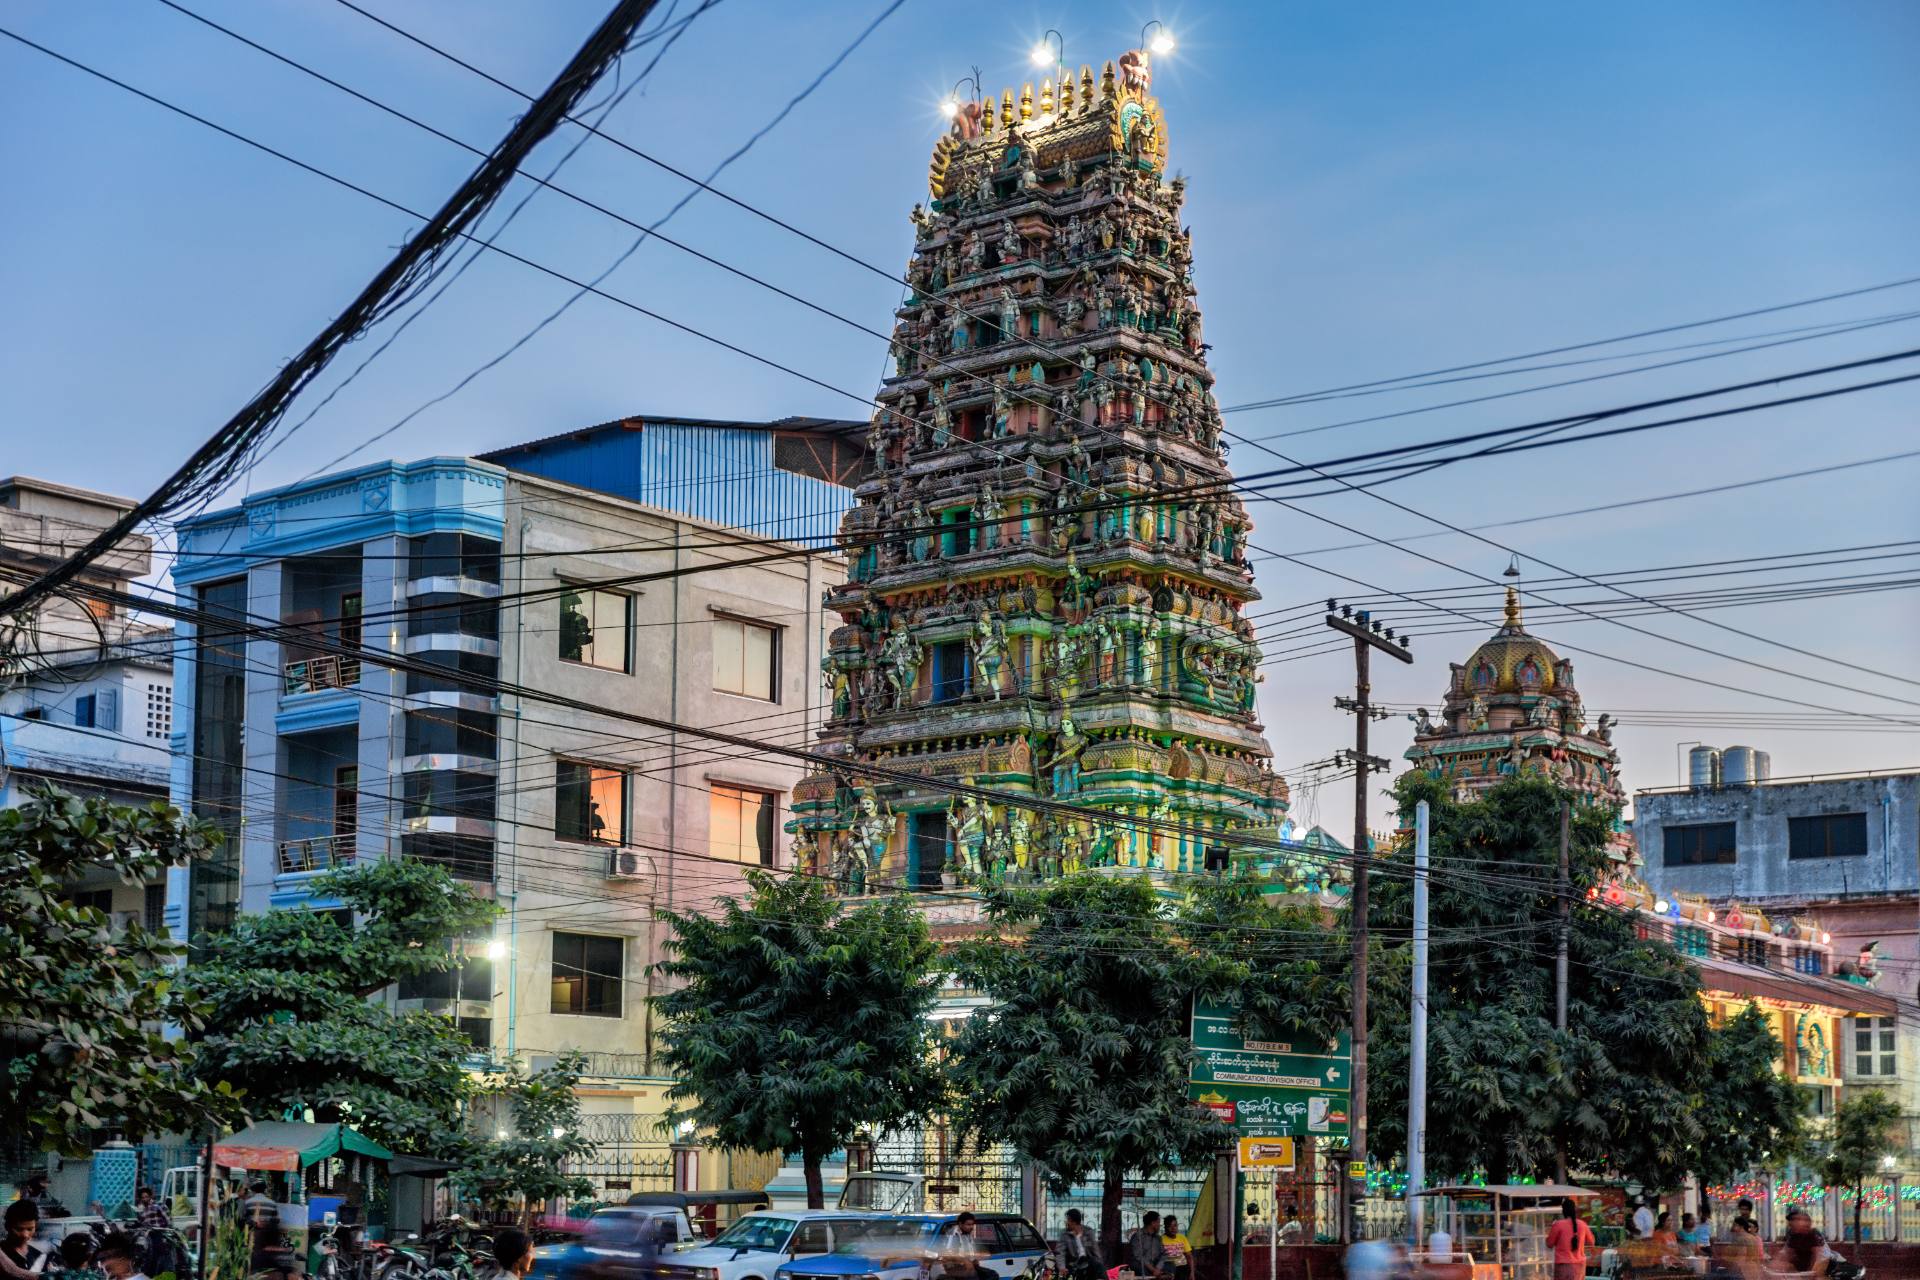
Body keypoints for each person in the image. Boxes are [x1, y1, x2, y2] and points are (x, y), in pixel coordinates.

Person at [1772, 1209, 1834, 1277]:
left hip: (1825, 1267)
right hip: (1805, 1268)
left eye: (1798, 1220)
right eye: (1792, 1221)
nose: (1794, 1223)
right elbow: (1786, 1253)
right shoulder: (1793, 1235)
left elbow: (1821, 1258)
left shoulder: (1814, 1234)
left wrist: (1812, 1274)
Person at [1545, 1198, 1594, 1280]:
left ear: (1563, 1211)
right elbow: (1591, 1242)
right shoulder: (1583, 1224)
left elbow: (1549, 1244)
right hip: (1579, 1266)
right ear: (1574, 1210)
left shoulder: (1558, 1225)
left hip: (1563, 1265)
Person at [0, 1201, 45, 1280]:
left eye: (30, 1229)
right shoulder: (2, 1253)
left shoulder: (38, 1255)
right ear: (7, 1226)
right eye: (19, 1229)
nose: (25, 1235)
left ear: (36, 1226)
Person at [1054, 1209, 1103, 1280]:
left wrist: (1099, 1264)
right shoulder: (1064, 1234)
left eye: (1068, 1220)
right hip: (1073, 1264)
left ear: (1073, 1222)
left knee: (1098, 1265)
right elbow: (1060, 1253)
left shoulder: (1088, 1232)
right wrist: (1062, 1267)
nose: (1066, 1222)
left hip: (1088, 1263)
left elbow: (1095, 1251)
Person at [1126, 1212, 1170, 1280]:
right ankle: (1158, 1276)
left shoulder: (1158, 1238)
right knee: (1139, 1267)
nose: (1159, 1225)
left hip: (1155, 1266)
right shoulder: (1138, 1236)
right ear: (1153, 1223)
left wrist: (1158, 1268)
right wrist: (1153, 1270)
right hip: (1143, 1265)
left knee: (1170, 1264)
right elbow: (1139, 1256)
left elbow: (1163, 1254)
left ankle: (1160, 1275)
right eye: (1158, 1222)